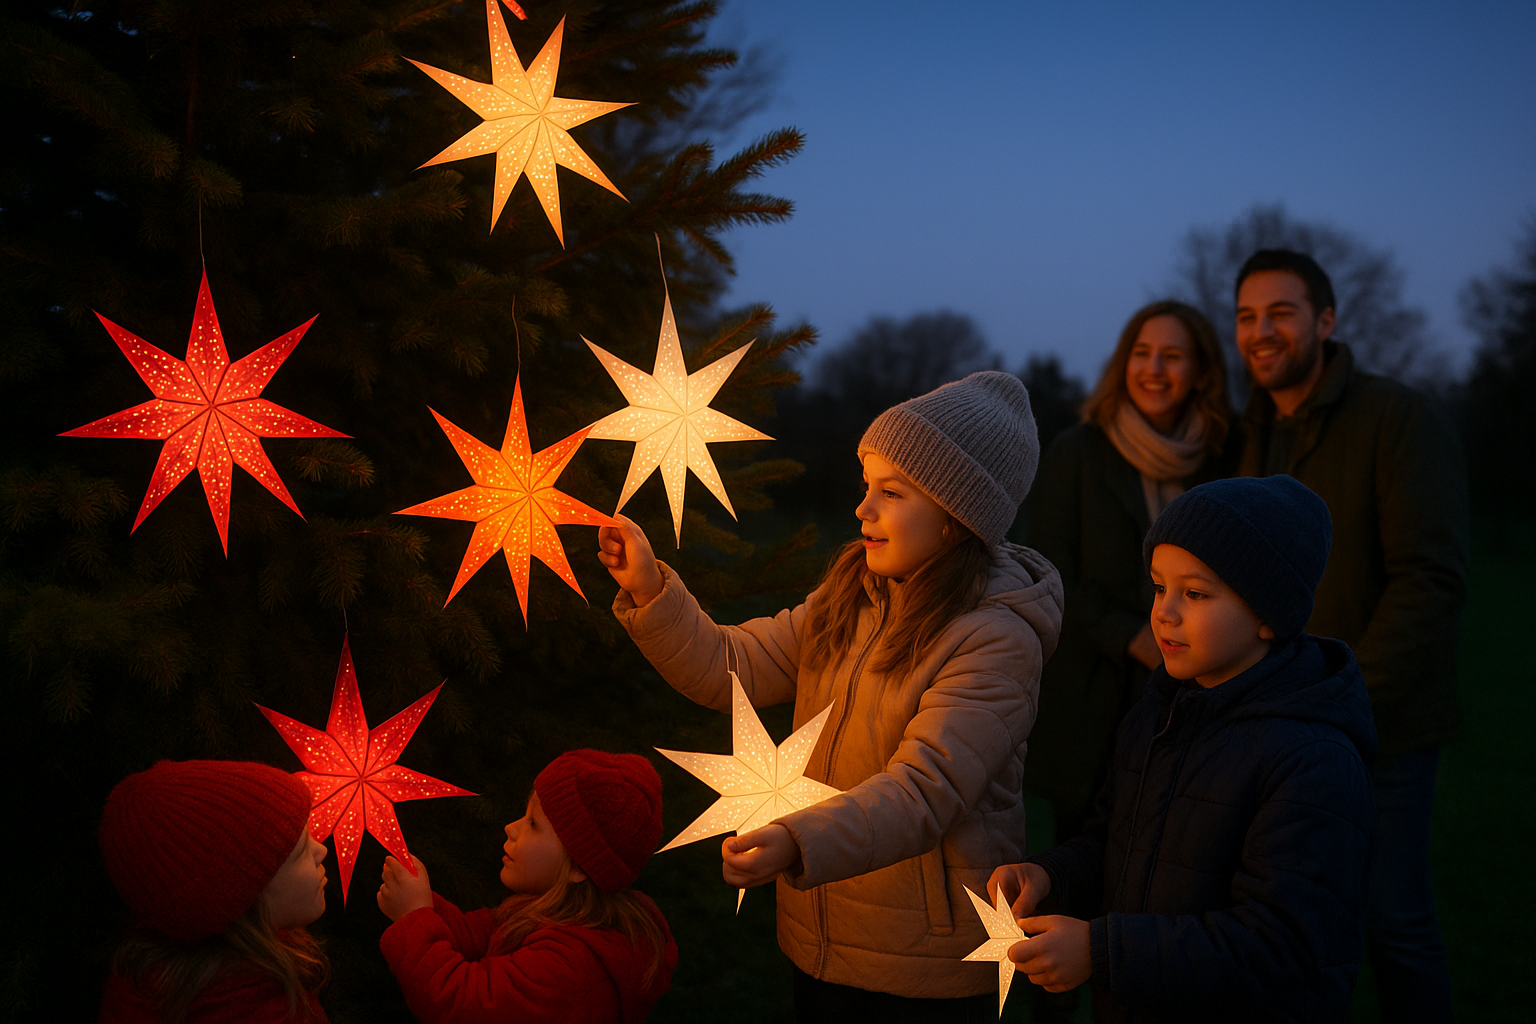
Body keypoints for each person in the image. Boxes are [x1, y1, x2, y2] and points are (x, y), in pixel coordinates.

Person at [598, 370, 1064, 1020]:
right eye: (866, 486)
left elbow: (924, 791)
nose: (862, 509)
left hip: (929, 962)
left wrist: (798, 839)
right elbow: (735, 664)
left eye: (892, 493)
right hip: (823, 935)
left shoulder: (994, 640)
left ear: (956, 520)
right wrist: (652, 593)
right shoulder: (855, 597)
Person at [989, 476, 1376, 1022]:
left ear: (1270, 614)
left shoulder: (1313, 759)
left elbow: (1280, 945)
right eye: (1157, 587)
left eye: (1194, 593)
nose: (1165, 612)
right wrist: (1052, 876)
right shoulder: (1158, 715)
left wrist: (1101, 953)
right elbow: (1112, 842)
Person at [1234, 249, 1468, 1021]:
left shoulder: (1398, 420)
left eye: (1281, 313)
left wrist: (1349, 697)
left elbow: (1429, 579)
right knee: (1292, 926)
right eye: (1245, 317)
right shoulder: (1251, 436)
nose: (1260, 332)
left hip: (1383, 732)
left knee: (1393, 919)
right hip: (1277, 730)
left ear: (1326, 322)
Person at [1020, 300, 1237, 848]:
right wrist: (1132, 635)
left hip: (1198, 690)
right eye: (1142, 354)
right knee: (1084, 860)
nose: (1154, 369)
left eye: (1172, 356)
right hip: (1096, 694)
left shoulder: (1223, 458)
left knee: (1183, 850)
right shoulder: (1079, 451)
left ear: (1201, 371)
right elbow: (1048, 568)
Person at [376, 749, 677, 1024]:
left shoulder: (567, 966)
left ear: (578, 866)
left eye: (533, 823)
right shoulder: (542, 912)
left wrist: (413, 916)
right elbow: (469, 937)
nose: (511, 827)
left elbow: (464, 1003)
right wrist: (422, 901)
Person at [98, 759, 330, 1024]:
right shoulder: (265, 1012)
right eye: (300, 852)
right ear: (242, 898)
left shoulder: (145, 984)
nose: (321, 851)